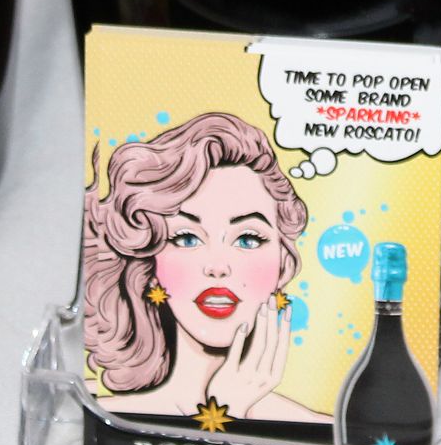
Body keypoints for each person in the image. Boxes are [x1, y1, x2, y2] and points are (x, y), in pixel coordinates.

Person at [81, 111, 325, 425]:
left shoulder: (322, 430)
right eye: (187, 238)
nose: (218, 267)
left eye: (248, 239)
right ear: (148, 262)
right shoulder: (102, 416)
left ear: (283, 262)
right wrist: (226, 412)